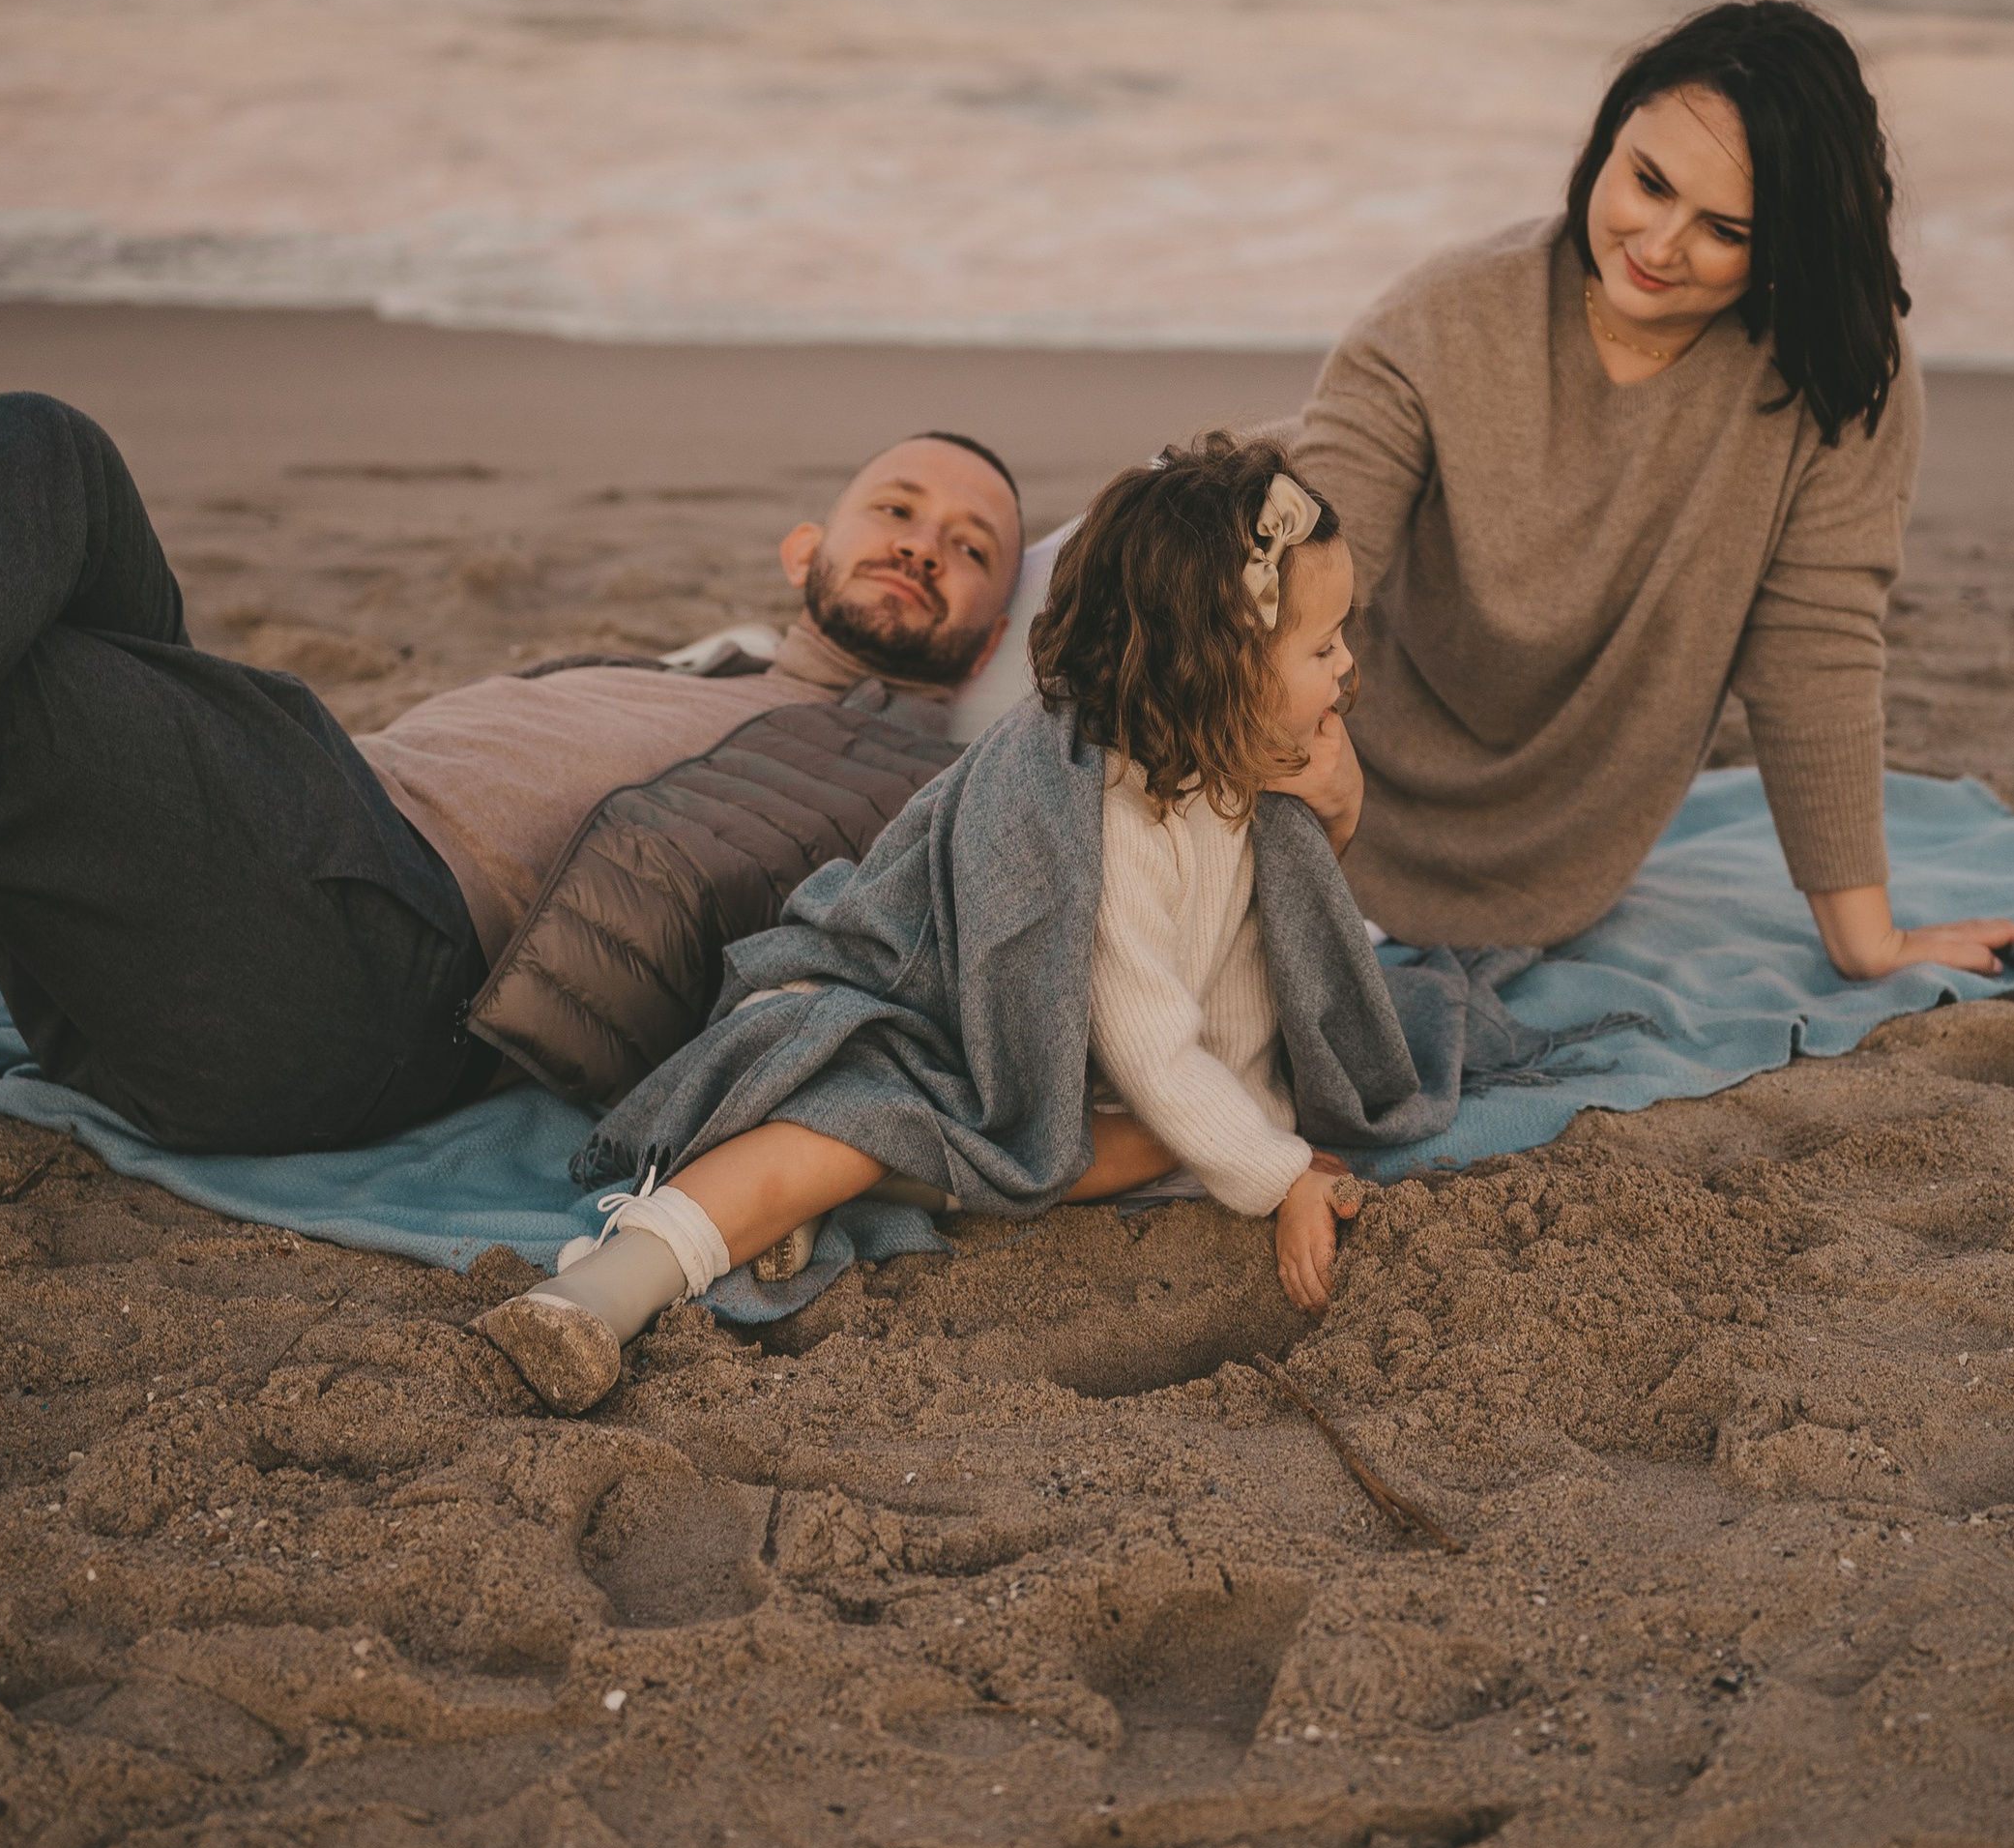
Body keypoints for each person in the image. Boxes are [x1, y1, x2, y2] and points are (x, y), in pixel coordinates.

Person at [473, 436, 1445, 1417]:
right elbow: (1153, 1036)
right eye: (1321, 647)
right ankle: (609, 1283)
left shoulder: (1243, 778)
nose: (1347, 665)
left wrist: (1260, 1125)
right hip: (910, 1004)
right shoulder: (1102, 813)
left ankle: (854, 1191)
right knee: (852, 1120)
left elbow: (1235, 1000)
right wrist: (1276, 1177)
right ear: (1221, 668)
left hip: (1054, 1067)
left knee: (1162, 1137)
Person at [0, 398, 1021, 1154]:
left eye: (971, 549)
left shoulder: (913, 777)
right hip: (250, 882)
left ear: (985, 651)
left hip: (369, 959)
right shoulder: (683, 672)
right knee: (55, 451)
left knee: (25, 690)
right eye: (897, 508)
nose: (926, 545)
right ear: (804, 550)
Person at [1288, 0, 2014, 981]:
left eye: (1724, 227)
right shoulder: (1438, 317)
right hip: (1308, 763)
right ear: (1610, 132)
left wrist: (1867, 943)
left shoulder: (1838, 378)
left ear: (1788, 244)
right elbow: (1298, 587)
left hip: (1544, 863)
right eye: (1647, 181)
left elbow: (1816, 650)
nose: (1660, 243)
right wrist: (1288, 812)